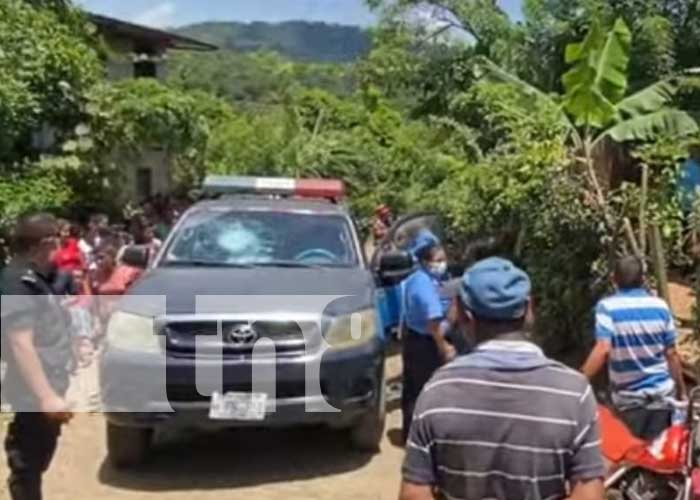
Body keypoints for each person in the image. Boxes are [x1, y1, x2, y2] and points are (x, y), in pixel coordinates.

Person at [400, 257, 605, 500]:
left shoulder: (437, 390)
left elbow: (414, 493)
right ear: (529, 310)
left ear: (465, 316)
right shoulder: (574, 392)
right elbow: (589, 492)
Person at [0, 214, 77, 500]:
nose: (63, 248)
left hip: (47, 379)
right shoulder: (17, 282)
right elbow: (21, 343)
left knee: (38, 453)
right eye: (59, 240)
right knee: (28, 460)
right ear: (46, 243)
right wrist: (46, 396)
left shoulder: (36, 278)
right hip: (32, 386)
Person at [581, 255, 687, 440]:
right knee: (658, 457)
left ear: (614, 280)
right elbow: (671, 353)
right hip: (662, 397)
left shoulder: (607, 308)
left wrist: (578, 379)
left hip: (628, 400)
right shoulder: (661, 307)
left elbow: (603, 349)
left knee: (629, 458)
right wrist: (681, 390)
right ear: (643, 280)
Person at [400, 230, 455, 443]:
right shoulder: (423, 283)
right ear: (425, 261)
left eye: (443, 259)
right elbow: (433, 321)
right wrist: (444, 347)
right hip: (425, 343)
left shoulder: (421, 279)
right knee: (424, 390)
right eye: (438, 260)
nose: (442, 264)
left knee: (413, 388)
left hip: (416, 339)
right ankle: (419, 438)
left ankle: (411, 435)